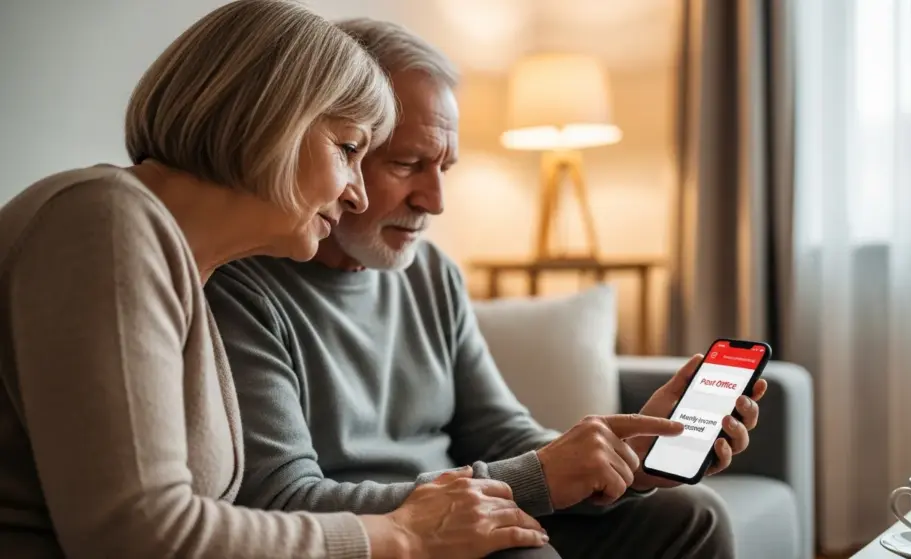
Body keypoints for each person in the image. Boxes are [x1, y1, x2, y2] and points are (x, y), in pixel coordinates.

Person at [0, 3, 549, 558]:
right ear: (266, 122)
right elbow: (138, 536)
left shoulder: (183, 264)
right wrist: (402, 534)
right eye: (349, 149)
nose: (355, 192)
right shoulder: (105, 221)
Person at [205, 17, 767, 559]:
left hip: (471, 503)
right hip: (373, 535)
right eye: (407, 163)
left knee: (693, 516)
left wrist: (625, 459)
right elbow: (280, 500)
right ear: (338, 152)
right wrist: (533, 480)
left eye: (444, 166)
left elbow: (499, 434)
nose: (435, 200)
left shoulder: (431, 274)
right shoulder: (239, 287)